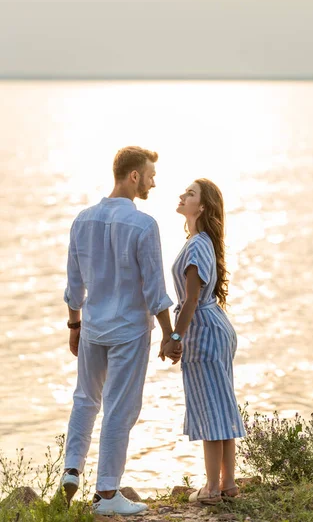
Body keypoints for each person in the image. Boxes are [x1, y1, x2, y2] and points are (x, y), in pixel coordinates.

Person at [61, 146, 181, 517]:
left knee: (85, 399)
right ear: (133, 176)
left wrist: (74, 324)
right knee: (119, 408)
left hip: (93, 327)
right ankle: (107, 494)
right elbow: (154, 289)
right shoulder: (144, 225)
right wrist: (169, 334)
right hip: (129, 331)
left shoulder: (82, 220)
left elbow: (74, 282)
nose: (153, 182)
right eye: (149, 175)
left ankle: (71, 470)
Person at [162, 178, 245, 505]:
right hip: (214, 327)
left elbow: (192, 299)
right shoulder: (202, 240)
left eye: (190, 194)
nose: (182, 195)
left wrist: (175, 337)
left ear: (203, 207)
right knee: (220, 405)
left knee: (212, 409)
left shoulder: (198, 244)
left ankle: (212, 488)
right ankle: (228, 484)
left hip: (204, 330)